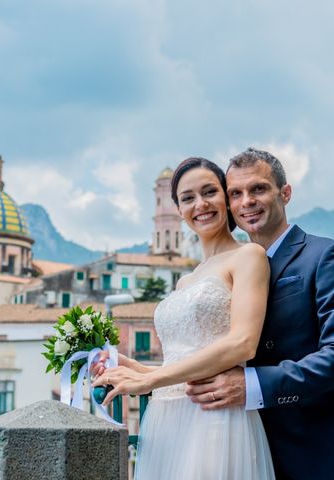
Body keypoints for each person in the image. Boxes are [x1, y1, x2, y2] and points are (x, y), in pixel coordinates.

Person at [185, 148, 334, 479]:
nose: (246, 202)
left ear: (285, 193)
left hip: (316, 454)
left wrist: (253, 386)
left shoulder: (330, 256)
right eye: (236, 194)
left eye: (258, 189)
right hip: (245, 448)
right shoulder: (232, 271)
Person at [92, 157, 275, 479]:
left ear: (227, 198)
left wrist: (150, 380)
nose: (200, 204)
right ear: (178, 209)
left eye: (209, 192)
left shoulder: (248, 256)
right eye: (188, 198)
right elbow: (186, 355)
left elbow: (243, 344)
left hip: (215, 416)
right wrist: (133, 367)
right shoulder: (185, 281)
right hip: (167, 417)